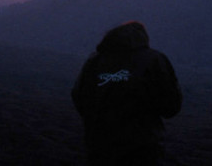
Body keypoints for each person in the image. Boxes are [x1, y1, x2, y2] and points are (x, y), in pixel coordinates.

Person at [72, 21, 182, 165]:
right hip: (142, 149)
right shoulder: (154, 60)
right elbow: (171, 106)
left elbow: (79, 96)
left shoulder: (95, 61)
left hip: (99, 146)